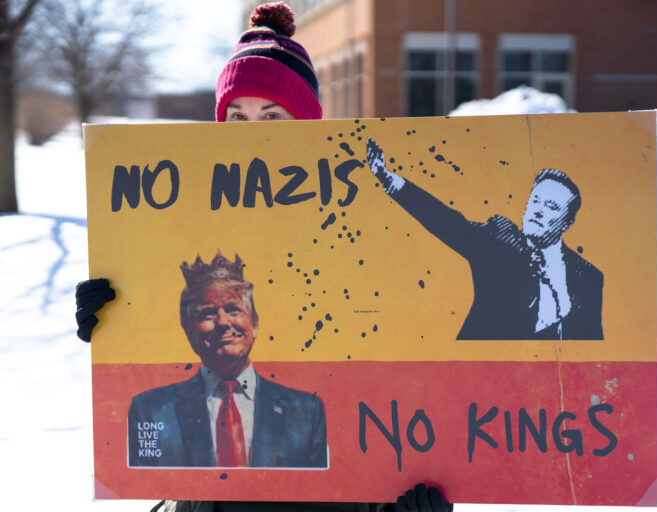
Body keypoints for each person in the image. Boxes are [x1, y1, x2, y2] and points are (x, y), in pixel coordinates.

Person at [76, 3, 451, 510]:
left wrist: (403, 500)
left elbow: (391, 387)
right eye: (237, 117)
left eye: (272, 116)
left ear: (307, 124)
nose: (253, 133)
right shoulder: (182, 230)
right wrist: (115, 322)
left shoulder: (358, 231)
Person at [365, 138, 604, 341]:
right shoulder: (497, 241)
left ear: (567, 222)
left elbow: (592, 343)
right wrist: (390, 180)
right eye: (535, 201)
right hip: (481, 366)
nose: (538, 211)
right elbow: (447, 222)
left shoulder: (588, 277)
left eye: (551, 206)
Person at [129, 252, 327, 469]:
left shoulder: (306, 412)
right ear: (189, 331)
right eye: (207, 314)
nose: (223, 322)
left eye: (234, 310)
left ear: (254, 323)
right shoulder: (151, 410)